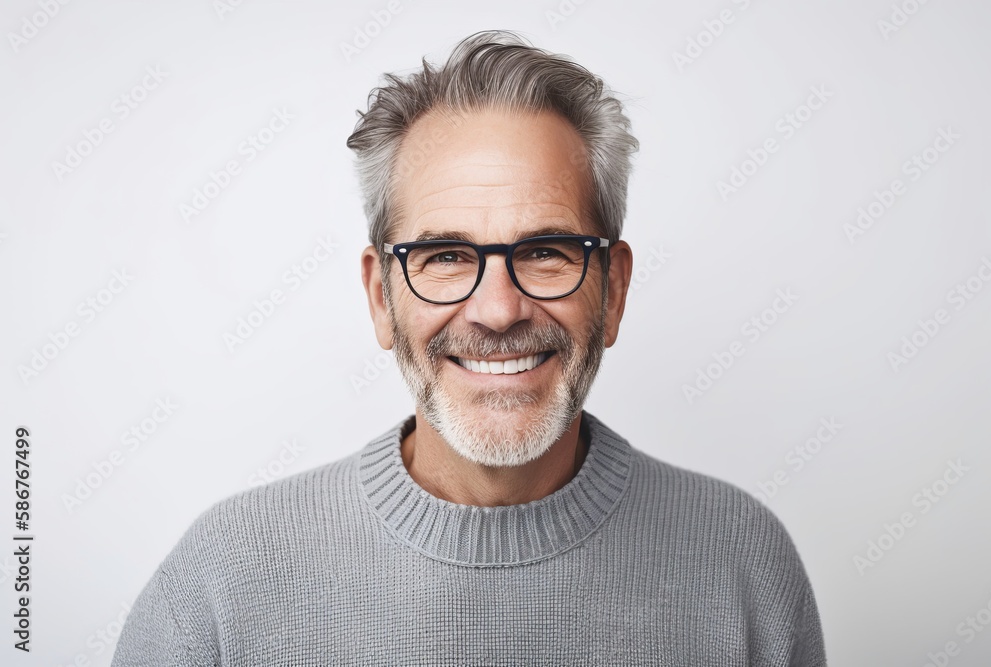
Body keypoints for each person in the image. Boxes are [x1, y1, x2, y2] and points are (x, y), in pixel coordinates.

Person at [112, 30, 826, 665]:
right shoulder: (223, 580)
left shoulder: (744, 565)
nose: (496, 310)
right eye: (447, 255)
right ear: (380, 296)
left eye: (546, 250)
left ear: (612, 290)